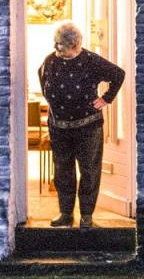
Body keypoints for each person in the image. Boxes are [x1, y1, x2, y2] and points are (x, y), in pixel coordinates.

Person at [38, 22, 125, 228]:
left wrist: (106, 98)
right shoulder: (50, 61)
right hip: (59, 127)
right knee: (62, 171)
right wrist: (54, 103)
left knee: (89, 171)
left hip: (88, 128)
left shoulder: (91, 61)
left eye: (61, 45)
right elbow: (42, 80)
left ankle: (86, 216)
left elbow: (118, 74)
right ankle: (65, 213)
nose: (56, 48)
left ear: (75, 45)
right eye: (56, 43)